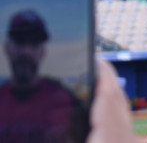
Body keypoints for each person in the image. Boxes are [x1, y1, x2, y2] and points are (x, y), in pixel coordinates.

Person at [0, 9, 89, 141]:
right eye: (20, 42)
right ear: (7, 48)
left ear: (43, 51)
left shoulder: (65, 101)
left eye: (34, 43)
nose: (26, 51)